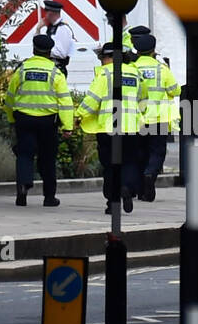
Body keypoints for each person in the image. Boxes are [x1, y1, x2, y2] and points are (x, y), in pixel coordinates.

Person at [5, 34, 72, 207]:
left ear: (33, 50)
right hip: (47, 122)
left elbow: (10, 96)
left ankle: (23, 187)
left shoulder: (22, 69)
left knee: (25, 154)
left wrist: (11, 117)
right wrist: (67, 126)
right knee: (48, 158)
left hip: (24, 119)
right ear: (49, 53)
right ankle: (49, 197)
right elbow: (64, 101)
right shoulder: (55, 73)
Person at [77, 43, 143, 213]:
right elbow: (143, 96)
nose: (101, 61)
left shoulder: (104, 74)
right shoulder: (135, 73)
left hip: (108, 128)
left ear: (111, 57)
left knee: (110, 166)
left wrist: (78, 116)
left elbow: (92, 100)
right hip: (131, 127)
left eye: (103, 58)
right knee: (129, 162)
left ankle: (112, 203)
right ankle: (127, 188)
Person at [132, 32, 180, 202]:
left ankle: (141, 191)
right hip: (158, 118)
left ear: (137, 51)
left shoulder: (132, 68)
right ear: (153, 51)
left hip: (138, 119)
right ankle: (150, 174)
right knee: (157, 152)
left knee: (140, 153)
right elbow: (176, 90)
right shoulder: (162, 69)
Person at [38, 1, 75, 75]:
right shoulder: (51, 27)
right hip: (51, 68)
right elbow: (38, 43)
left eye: (47, 13)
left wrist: (44, 51)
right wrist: (38, 29)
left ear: (51, 13)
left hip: (58, 69)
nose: (45, 15)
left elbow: (62, 54)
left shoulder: (63, 29)